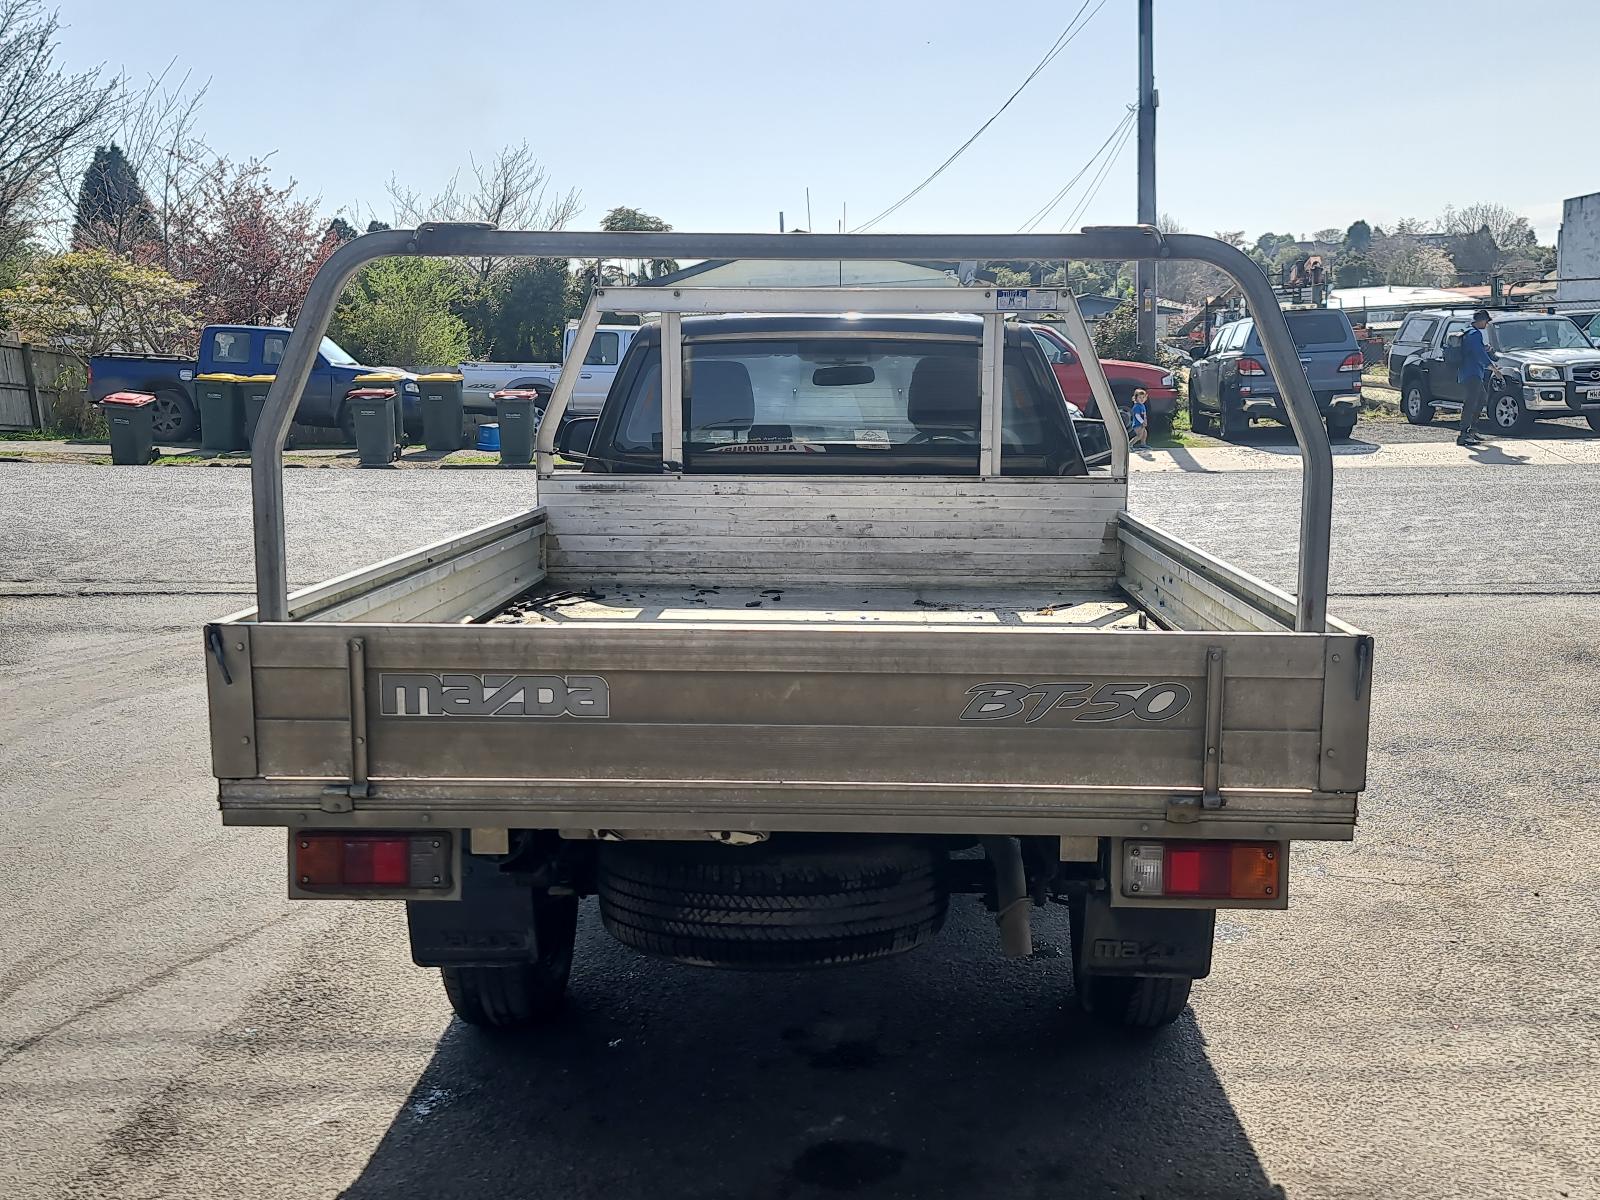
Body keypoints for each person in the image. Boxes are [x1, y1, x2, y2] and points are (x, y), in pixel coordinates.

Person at [1457, 309, 1501, 447]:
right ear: (1481, 321)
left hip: (1470, 373)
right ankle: (1464, 434)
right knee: (1471, 403)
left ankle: (1472, 430)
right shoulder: (1475, 334)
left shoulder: (1469, 332)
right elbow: (1478, 354)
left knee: (1481, 399)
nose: (1487, 324)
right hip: (1472, 373)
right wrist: (1493, 367)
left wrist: (1484, 348)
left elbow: (1476, 350)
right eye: (1486, 321)